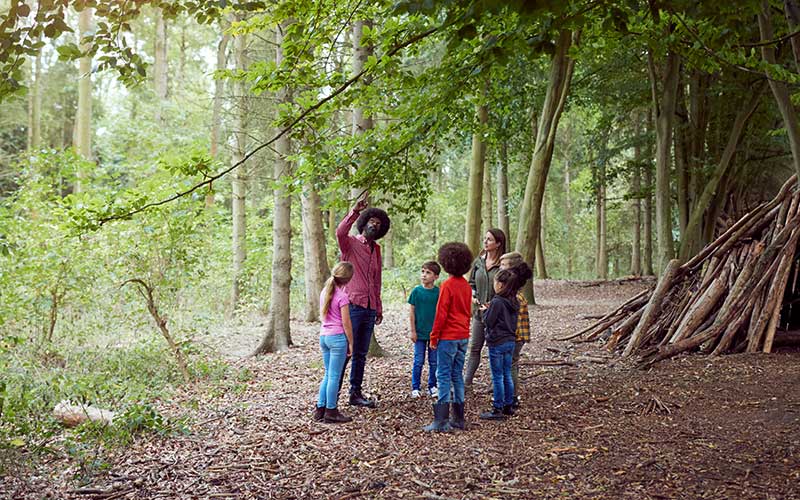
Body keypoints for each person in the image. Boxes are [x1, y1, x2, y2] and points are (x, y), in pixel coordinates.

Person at [336, 193, 390, 408]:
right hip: (352, 306)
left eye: (378, 224)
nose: (374, 226)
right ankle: (333, 393)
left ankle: (355, 393)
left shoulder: (376, 249)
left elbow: (376, 279)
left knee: (360, 353)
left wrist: (378, 306)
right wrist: (354, 211)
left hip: (368, 308)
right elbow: (340, 231)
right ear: (364, 223)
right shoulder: (349, 244)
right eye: (371, 221)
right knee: (346, 351)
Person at [424, 242, 473, 433]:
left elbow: (441, 314)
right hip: (462, 336)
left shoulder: (447, 285)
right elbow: (467, 312)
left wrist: (434, 336)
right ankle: (459, 418)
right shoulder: (466, 286)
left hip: (448, 337)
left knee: (443, 375)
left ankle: (441, 420)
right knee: (457, 375)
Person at [478, 267, 526, 420]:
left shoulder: (497, 301)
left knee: (497, 376)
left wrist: (485, 311)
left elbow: (489, 321)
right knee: (507, 373)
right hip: (510, 341)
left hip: (497, 342)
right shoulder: (514, 300)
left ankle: (497, 408)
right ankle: (508, 405)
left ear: (500, 285)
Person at [464, 228, 507, 388]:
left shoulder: (504, 265)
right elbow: (471, 283)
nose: (485, 242)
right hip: (478, 313)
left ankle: (498, 386)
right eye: (485, 238)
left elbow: (508, 288)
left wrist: (495, 303)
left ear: (498, 243)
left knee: (495, 350)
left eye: (489, 239)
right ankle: (466, 383)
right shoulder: (478, 262)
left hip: (497, 315)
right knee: (474, 347)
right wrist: (473, 295)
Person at [313, 262, 355, 424]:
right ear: (348, 279)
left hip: (324, 336)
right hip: (337, 338)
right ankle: (331, 411)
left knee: (328, 374)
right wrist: (351, 343)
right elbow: (346, 323)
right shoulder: (343, 297)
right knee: (334, 377)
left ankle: (320, 409)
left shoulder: (325, 291)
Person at [499, 252, 533, 408]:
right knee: (512, 365)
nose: (500, 267)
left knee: (510, 365)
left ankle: (511, 398)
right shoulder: (515, 292)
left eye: (504, 264)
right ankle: (511, 395)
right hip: (517, 335)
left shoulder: (513, 295)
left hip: (514, 336)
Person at [408, 261, 441, 399]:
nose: (424, 275)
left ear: (436, 276)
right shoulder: (416, 291)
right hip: (419, 333)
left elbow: (441, 312)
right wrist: (412, 331)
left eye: (428, 272)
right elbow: (411, 312)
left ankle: (432, 385)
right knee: (418, 360)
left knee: (434, 361)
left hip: (434, 333)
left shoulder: (438, 292)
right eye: (422, 271)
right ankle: (415, 387)